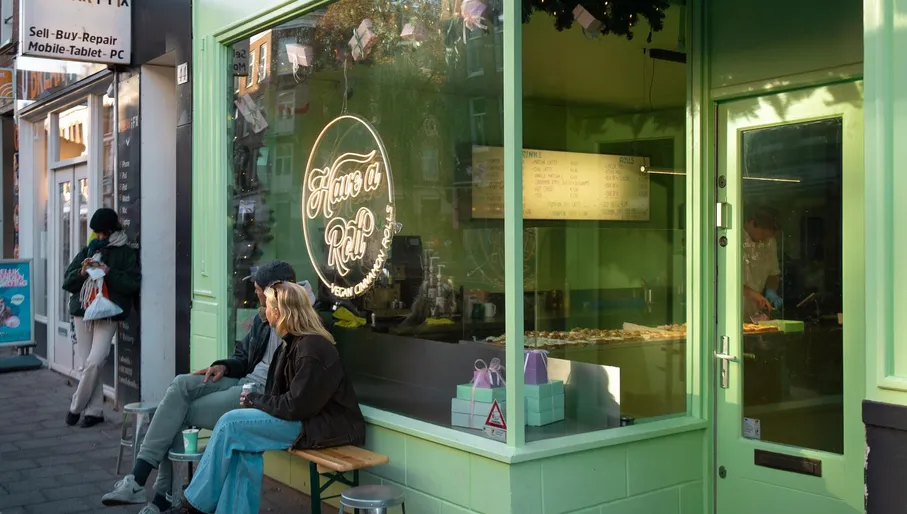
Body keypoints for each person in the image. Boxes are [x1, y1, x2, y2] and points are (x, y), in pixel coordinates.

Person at [101, 260, 303, 514]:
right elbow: (244, 355)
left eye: (258, 288)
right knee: (181, 384)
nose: (255, 293)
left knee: (177, 411)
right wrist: (224, 366)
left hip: (259, 394)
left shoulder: (300, 317)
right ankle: (140, 484)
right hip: (245, 380)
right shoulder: (264, 314)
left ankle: (157, 493)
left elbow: (296, 381)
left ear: (275, 289)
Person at [162, 282, 365, 514]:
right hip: (305, 420)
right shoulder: (292, 343)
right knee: (243, 444)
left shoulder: (313, 347)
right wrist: (257, 401)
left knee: (231, 424)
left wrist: (254, 400)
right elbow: (282, 398)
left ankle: (193, 506)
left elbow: (297, 407)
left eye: (267, 306)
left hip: (322, 426)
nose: (263, 312)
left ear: (278, 312)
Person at [64, 208, 140, 428]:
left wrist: (108, 272)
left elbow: (132, 284)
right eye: (96, 233)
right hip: (83, 311)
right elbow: (67, 282)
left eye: (102, 233)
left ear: (112, 230)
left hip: (109, 312)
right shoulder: (88, 249)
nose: (98, 237)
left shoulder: (125, 252)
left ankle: (76, 405)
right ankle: (94, 411)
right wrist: (82, 272)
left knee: (95, 361)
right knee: (85, 363)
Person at [743, 206, 783, 321]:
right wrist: (754, 294)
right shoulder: (733, 239)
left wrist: (771, 291)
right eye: (762, 234)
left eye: (767, 236)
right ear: (751, 223)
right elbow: (725, 280)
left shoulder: (769, 242)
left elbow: (773, 273)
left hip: (754, 310)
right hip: (730, 307)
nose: (763, 239)